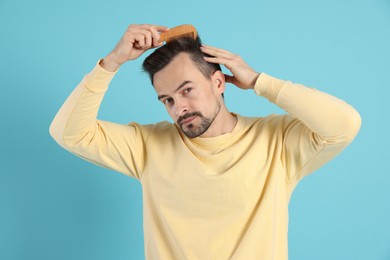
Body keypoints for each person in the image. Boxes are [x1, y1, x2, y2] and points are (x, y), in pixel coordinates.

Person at [49, 24, 361, 259]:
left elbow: (344, 124)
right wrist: (111, 63)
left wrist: (258, 82)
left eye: (187, 90)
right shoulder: (148, 145)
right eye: (167, 99)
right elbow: (68, 133)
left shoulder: (276, 141)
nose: (179, 107)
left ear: (218, 82)